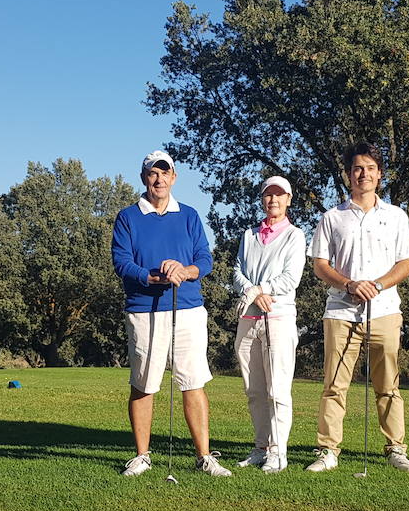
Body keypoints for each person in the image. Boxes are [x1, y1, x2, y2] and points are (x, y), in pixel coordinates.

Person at [111, 149, 232, 477]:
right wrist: (152, 276)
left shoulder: (190, 215)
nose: (159, 178)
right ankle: (141, 455)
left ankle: (204, 457)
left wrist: (185, 270)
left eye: (165, 173)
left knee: (193, 382)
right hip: (144, 310)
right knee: (144, 384)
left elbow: (204, 259)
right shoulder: (128, 217)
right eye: (153, 173)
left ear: (174, 177)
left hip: (188, 308)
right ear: (144, 178)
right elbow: (121, 262)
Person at [306, 143, 409, 473]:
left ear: (379, 174)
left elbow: (405, 264)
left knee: (388, 385)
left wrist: (377, 285)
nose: (363, 174)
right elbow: (320, 265)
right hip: (341, 311)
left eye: (370, 168)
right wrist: (350, 284)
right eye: (357, 168)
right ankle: (328, 450)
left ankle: (396, 448)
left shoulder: (396, 216)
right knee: (334, 386)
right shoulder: (332, 217)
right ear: (348, 175)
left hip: (384, 310)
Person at [232, 175, 307, 473]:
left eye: (279, 195)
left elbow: (291, 278)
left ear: (288, 199)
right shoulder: (249, 235)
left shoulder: (295, 235)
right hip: (248, 317)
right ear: (262, 199)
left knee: (277, 389)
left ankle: (278, 451)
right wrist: (250, 291)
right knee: (254, 390)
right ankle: (261, 446)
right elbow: (237, 271)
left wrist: (259, 290)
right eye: (268, 195)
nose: (273, 200)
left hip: (278, 317)